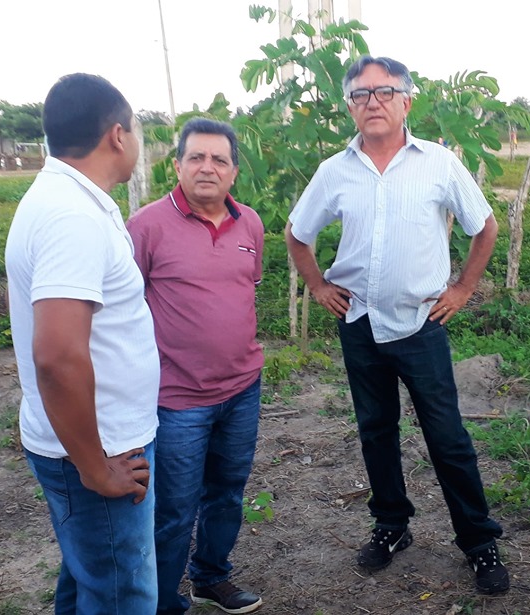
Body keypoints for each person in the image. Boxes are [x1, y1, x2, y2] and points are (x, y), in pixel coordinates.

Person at [285, 55, 509, 595]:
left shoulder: (438, 163)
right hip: (358, 322)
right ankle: (391, 526)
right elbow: (297, 233)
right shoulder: (334, 171)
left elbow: (485, 228)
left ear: (408, 101)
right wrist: (317, 285)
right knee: (377, 432)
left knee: (448, 437)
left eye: (384, 93)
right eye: (360, 95)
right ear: (350, 108)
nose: (373, 103)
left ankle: (479, 543)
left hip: (420, 323)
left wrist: (462, 289)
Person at [5, 73, 159, 613]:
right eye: (136, 128)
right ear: (118, 135)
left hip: (94, 439)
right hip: (101, 449)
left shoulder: (72, 200)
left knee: (89, 577)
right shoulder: (72, 217)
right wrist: (96, 469)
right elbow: (58, 356)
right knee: (123, 593)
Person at [127, 118, 266, 615]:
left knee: (227, 493)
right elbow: (122, 308)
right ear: (178, 164)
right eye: (196, 157)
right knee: (173, 510)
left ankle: (211, 577)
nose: (208, 167)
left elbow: (247, 286)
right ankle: (163, 601)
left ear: (233, 172)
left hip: (243, 387)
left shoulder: (249, 222)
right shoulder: (145, 226)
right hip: (178, 398)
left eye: (219, 159)